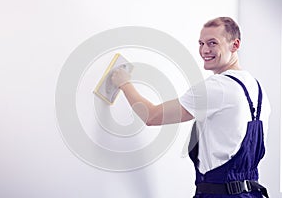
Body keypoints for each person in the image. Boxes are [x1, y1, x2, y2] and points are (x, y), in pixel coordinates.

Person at [111, 17, 271, 197]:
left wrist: (124, 83)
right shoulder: (258, 89)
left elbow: (152, 116)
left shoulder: (217, 87)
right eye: (201, 43)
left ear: (235, 45)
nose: (204, 50)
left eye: (212, 43)